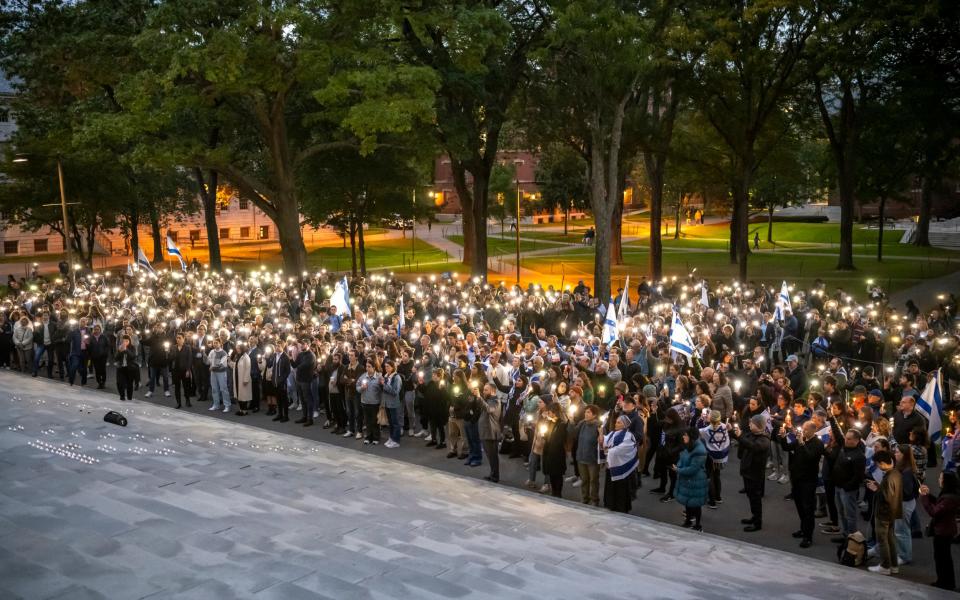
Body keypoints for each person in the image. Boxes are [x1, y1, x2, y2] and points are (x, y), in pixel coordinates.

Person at [779, 420, 825, 548]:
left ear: (813, 430)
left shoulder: (818, 443)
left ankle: (808, 536)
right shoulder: (801, 440)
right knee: (799, 506)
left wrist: (801, 443)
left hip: (808, 481)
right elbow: (786, 447)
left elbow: (810, 458)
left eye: (805, 429)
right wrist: (783, 437)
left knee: (808, 509)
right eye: (802, 429)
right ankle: (803, 529)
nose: (802, 431)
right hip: (797, 479)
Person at [919, 471, 959, 591]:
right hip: (946, 529)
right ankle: (945, 581)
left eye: (941, 478)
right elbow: (939, 504)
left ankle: (945, 582)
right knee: (943, 557)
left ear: (946, 481)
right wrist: (928, 494)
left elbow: (935, 511)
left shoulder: (950, 498)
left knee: (942, 558)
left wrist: (924, 497)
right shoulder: (950, 494)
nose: (939, 480)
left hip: (943, 531)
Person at [732, 414, 771, 532]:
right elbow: (743, 439)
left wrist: (740, 437)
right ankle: (754, 517)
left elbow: (753, 446)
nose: (749, 424)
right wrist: (731, 430)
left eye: (752, 423)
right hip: (747, 471)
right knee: (750, 496)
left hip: (755, 473)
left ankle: (758, 523)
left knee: (755, 498)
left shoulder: (764, 439)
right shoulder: (751, 434)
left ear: (758, 425)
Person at [866, 449, 902, 575]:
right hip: (893, 512)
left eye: (877, 464)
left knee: (882, 540)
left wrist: (876, 489)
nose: (877, 466)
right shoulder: (895, 473)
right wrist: (878, 486)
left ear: (882, 463)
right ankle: (893, 565)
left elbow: (886, 496)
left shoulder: (889, 476)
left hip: (883, 513)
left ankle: (885, 566)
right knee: (890, 538)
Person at [830, 428, 866, 542]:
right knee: (841, 512)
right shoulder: (843, 447)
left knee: (850, 514)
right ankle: (845, 534)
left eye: (849, 439)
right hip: (838, 487)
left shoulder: (859, 456)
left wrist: (847, 487)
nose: (846, 440)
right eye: (846, 437)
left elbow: (858, 476)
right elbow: (837, 433)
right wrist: (831, 417)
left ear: (856, 441)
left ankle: (852, 538)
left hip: (848, 490)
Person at [675, 425, 708, 531]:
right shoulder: (690, 445)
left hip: (696, 482)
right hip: (688, 481)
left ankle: (698, 526)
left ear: (691, 436)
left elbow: (693, 469)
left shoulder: (699, 450)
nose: (683, 437)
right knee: (688, 503)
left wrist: (678, 470)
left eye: (685, 435)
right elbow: (682, 457)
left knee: (696, 505)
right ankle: (688, 521)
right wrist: (679, 465)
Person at [603, 414, 638, 513]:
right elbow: (605, 441)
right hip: (611, 466)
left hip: (622, 467)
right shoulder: (612, 433)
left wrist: (608, 451)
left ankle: (621, 507)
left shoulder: (629, 436)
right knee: (611, 486)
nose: (616, 424)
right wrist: (601, 437)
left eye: (618, 422)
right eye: (616, 422)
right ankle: (610, 504)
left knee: (621, 489)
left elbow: (624, 449)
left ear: (625, 425)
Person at [571, 405, 602, 505]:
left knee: (593, 480)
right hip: (581, 456)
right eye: (585, 412)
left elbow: (602, 443)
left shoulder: (599, 426)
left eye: (588, 412)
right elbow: (573, 434)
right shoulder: (582, 423)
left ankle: (594, 499)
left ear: (595, 415)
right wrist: (571, 422)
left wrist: (601, 435)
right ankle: (585, 498)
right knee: (584, 480)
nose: (586, 414)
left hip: (592, 458)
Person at [700, 410, 729, 508]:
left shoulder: (706, 430)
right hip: (720, 456)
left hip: (710, 457)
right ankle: (718, 497)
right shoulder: (724, 427)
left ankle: (711, 501)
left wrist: (701, 420)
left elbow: (696, 431)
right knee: (717, 475)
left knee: (710, 477)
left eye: (709, 415)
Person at [478, 382, 502, 482]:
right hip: (486, 432)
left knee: (493, 456)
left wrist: (480, 398)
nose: (484, 391)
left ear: (493, 391)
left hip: (491, 433)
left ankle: (495, 476)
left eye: (486, 390)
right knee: (489, 456)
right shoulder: (488, 399)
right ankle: (492, 474)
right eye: (483, 389)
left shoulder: (496, 401)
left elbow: (489, 409)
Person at [206, 338, 231, 413]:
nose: (215, 344)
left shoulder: (224, 353)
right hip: (213, 373)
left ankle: (227, 405)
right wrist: (204, 354)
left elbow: (222, 364)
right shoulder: (211, 352)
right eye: (214, 343)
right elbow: (208, 360)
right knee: (214, 388)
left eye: (217, 343)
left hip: (221, 373)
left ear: (220, 344)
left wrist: (213, 366)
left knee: (223, 388)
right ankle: (216, 404)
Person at [171, 333, 194, 409]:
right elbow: (170, 359)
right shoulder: (173, 347)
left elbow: (189, 359)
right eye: (177, 338)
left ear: (184, 339)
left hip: (184, 370)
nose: (178, 339)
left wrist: (188, 370)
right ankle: (178, 402)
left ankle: (188, 400)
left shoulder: (187, 348)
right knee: (177, 387)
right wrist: (167, 353)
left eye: (179, 338)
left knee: (186, 386)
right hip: (176, 370)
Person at [114, 334, 139, 401]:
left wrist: (126, 350)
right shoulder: (120, 347)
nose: (125, 342)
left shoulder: (132, 347)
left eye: (126, 341)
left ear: (129, 341)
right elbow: (116, 358)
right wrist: (119, 351)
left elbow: (133, 356)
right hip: (121, 368)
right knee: (119, 383)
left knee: (129, 383)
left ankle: (129, 397)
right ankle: (122, 396)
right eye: (124, 341)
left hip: (130, 368)